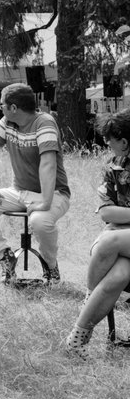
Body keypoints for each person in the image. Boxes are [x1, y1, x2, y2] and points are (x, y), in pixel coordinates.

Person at [0, 82, 70, 283]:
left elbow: (48, 164)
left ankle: (50, 266)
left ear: (13, 108)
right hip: (19, 192)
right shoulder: (6, 122)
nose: (1, 108)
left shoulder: (45, 122)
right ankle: (6, 257)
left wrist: (46, 202)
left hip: (54, 193)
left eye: (2, 105)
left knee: (39, 221)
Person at [64, 109, 130, 357]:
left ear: (123, 141)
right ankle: (76, 341)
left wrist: (120, 218)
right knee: (118, 275)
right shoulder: (113, 166)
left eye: (109, 140)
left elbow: (113, 216)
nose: (107, 144)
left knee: (108, 241)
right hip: (122, 240)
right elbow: (106, 213)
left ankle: (87, 302)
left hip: (116, 238)